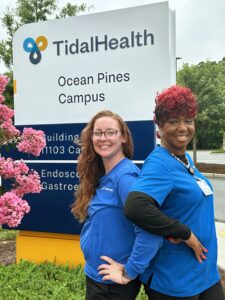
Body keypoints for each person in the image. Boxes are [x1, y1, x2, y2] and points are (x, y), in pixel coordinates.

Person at [123, 85, 225, 300]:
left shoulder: (184, 159)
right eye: (173, 121)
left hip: (205, 274)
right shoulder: (160, 163)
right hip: (175, 280)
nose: (183, 127)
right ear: (159, 127)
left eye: (188, 121)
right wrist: (183, 232)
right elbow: (136, 206)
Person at [71, 110, 162, 300]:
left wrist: (129, 271)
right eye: (97, 133)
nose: (103, 138)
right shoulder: (101, 175)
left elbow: (150, 231)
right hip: (97, 278)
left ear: (122, 137)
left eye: (110, 132)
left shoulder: (125, 178)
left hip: (113, 286)